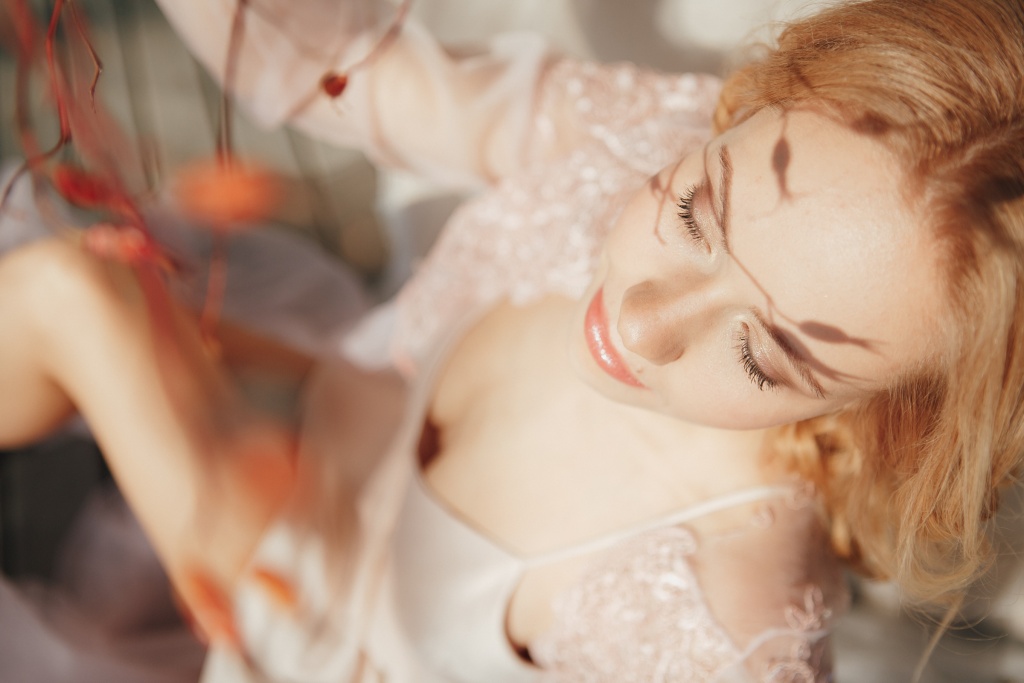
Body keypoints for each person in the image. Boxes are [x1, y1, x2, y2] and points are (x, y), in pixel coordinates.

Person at [1, 0, 1022, 680]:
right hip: (291, 411)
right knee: (86, 276)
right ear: (752, 105)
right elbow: (360, 74)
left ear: (903, 411)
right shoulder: (645, 131)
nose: (641, 320)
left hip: (287, 634)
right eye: (693, 213)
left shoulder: (726, 612)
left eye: (760, 354)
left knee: (66, 293)